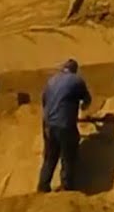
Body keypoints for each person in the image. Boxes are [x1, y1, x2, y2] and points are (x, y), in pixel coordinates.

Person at [38, 59, 92, 193]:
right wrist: (83, 108)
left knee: (50, 157)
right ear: (75, 70)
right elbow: (86, 100)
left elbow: (44, 100)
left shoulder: (51, 81)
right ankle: (66, 187)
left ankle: (43, 186)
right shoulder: (76, 80)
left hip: (48, 124)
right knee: (68, 155)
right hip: (65, 124)